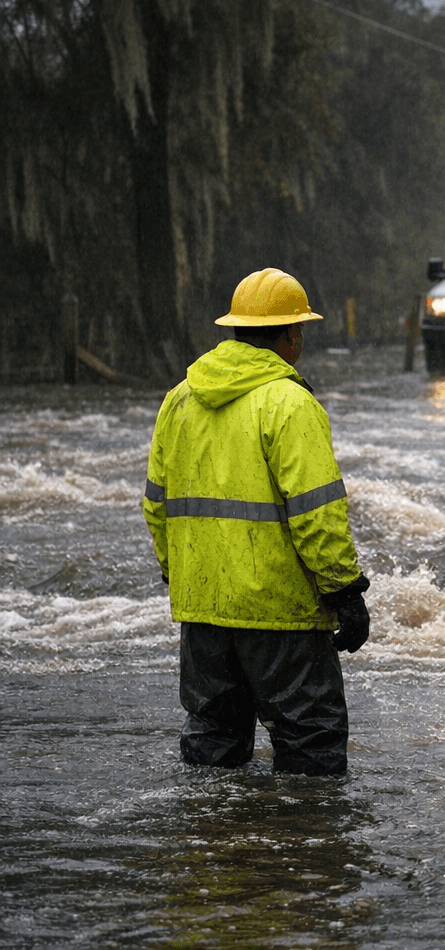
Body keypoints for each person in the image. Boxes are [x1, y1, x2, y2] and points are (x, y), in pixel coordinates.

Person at [142, 268, 371, 776]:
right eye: (301, 331)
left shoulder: (178, 399)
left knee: (212, 748)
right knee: (311, 746)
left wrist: (178, 572)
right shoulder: (290, 403)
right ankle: (303, 849)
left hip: (203, 610)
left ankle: (215, 844)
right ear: (290, 336)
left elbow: (157, 505)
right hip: (280, 613)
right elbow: (317, 513)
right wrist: (344, 591)